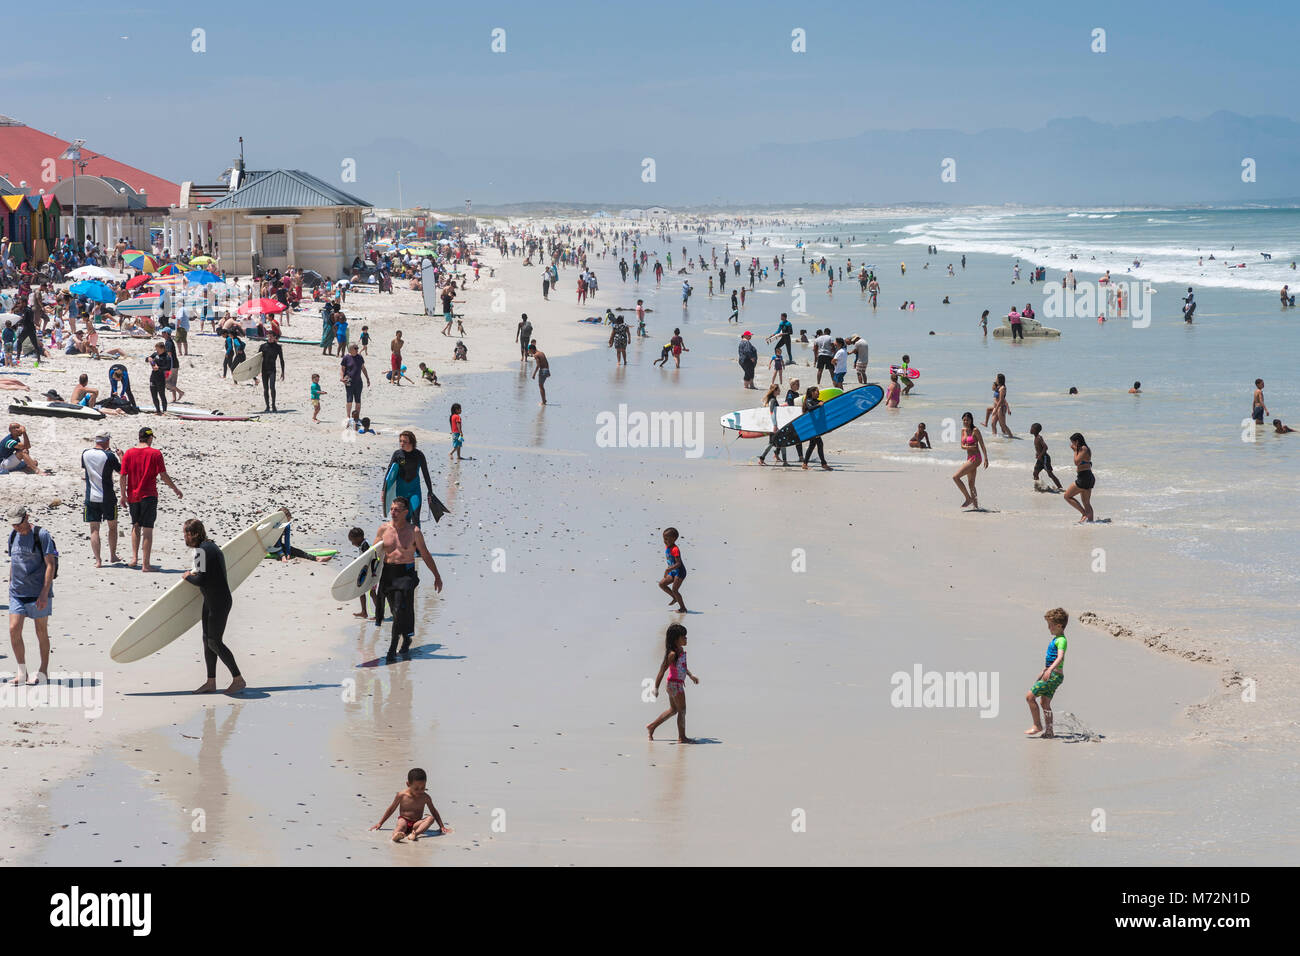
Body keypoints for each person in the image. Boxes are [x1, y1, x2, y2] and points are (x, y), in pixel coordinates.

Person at [374, 496, 444, 663]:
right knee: (395, 611)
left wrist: (437, 576)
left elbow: (425, 554)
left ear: (405, 512)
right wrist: (370, 581)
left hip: (405, 575)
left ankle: (392, 649)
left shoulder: (414, 532)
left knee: (399, 610)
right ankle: (406, 636)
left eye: (397, 510)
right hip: (388, 574)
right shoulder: (383, 529)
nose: (393, 512)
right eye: (391, 509)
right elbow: (373, 556)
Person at [182, 518, 245, 695]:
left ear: (193, 533)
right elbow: (206, 574)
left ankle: (238, 679)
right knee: (207, 640)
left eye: (185, 534)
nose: (184, 538)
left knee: (214, 641)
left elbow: (200, 579)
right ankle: (211, 682)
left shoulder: (202, 550)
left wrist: (187, 576)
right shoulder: (210, 546)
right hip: (211, 599)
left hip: (219, 602)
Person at [6, 504, 57, 686]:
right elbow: (14, 561)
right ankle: (22, 672)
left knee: (41, 631)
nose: (16, 528)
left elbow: (50, 564)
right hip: (17, 593)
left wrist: (44, 593)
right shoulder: (13, 536)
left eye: (18, 524)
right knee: (14, 630)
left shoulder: (41, 535)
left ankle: (43, 670)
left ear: (26, 518)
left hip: (38, 593)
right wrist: (10, 582)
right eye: (13, 525)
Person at [120, 426, 182, 571]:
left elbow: (123, 476)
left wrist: (123, 495)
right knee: (147, 529)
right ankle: (145, 564)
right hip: (149, 495)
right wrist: (175, 488)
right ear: (150, 438)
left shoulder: (128, 453)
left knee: (135, 525)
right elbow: (163, 475)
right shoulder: (155, 453)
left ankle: (134, 558)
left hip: (133, 495)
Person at [646, 623, 698, 743]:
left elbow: (683, 667)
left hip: (675, 684)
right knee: (682, 710)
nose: (686, 638)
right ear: (676, 639)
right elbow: (662, 670)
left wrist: (691, 676)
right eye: (683, 637)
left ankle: (652, 726)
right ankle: (682, 737)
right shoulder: (672, 654)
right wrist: (656, 688)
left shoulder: (681, 650)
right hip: (675, 685)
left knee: (674, 710)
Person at [383, 431, 447, 529]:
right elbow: (389, 473)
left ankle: (416, 542)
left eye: (404, 441)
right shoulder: (397, 454)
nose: (401, 444)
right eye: (400, 441)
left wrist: (430, 491)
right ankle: (405, 542)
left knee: (415, 517)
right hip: (401, 491)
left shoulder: (419, 455)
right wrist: (384, 490)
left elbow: (426, 474)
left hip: (414, 491)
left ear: (411, 442)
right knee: (405, 519)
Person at [370, 767, 452, 842]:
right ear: (408, 784)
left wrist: (442, 826)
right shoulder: (402, 795)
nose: (420, 790)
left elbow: (433, 811)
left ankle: (415, 834)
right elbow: (391, 809)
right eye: (416, 788)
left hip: (417, 824)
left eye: (423, 787)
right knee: (401, 824)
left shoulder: (425, 797)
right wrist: (380, 823)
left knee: (430, 818)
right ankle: (395, 835)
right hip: (404, 820)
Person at [1025, 608, 1069, 738]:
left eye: (1050, 625)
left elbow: (1060, 657)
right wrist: (1044, 670)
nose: (1048, 628)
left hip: (1054, 674)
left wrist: (1049, 670)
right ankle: (1049, 731)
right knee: (1045, 703)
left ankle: (1037, 725)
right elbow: (1052, 658)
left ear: (1059, 625)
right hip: (1054, 674)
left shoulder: (1061, 640)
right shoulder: (1057, 639)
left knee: (1030, 697)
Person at [81, 430, 122, 566]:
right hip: (107, 497)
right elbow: (121, 470)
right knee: (112, 526)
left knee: (94, 529)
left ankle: (98, 560)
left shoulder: (85, 453)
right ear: (107, 441)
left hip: (91, 496)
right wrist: (120, 456)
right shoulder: (109, 456)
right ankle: (112, 555)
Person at [952, 412, 988, 509]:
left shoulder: (975, 430)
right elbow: (962, 446)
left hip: (976, 458)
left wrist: (986, 459)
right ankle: (976, 507)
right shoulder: (963, 430)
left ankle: (968, 499)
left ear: (971, 420)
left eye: (967, 420)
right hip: (969, 458)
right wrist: (970, 446)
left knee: (955, 477)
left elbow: (982, 445)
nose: (965, 422)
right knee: (971, 484)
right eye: (964, 420)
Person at [1063, 433, 1095, 523]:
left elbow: (1076, 462)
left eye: (1073, 442)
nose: (1072, 444)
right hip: (1086, 477)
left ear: (1077, 441)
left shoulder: (1083, 448)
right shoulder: (1083, 449)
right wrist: (1076, 450)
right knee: (1086, 503)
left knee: (1067, 496)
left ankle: (1084, 514)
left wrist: (1075, 450)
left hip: (1084, 477)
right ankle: (1090, 522)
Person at [757, 382, 790, 465]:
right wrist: (775, 425)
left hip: (776, 425)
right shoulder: (773, 400)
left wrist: (782, 407)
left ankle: (784, 461)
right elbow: (772, 412)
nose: (780, 390)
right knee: (772, 443)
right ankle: (761, 459)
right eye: (778, 389)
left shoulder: (773, 399)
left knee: (780, 442)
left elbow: (775, 411)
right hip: (775, 425)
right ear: (775, 391)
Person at [800, 386, 831, 471]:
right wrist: (818, 405)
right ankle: (823, 464)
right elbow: (810, 409)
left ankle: (805, 464)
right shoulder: (808, 401)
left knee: (812, 445)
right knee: (819, 444)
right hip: (812, 427)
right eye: (817, 392)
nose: (819, 393)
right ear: (812, 393)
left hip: (815, 427)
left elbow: (820, 405)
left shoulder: (815, 401)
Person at [658, 527, 687, 613]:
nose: (664, 541)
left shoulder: (675, 549)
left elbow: (678, 563)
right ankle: (674, 597)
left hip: (680, 572)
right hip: (673, 571)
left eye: (667, 539)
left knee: (675, 590)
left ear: (674, 539)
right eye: (664, 538)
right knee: (662, 584)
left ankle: (683, 608)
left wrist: (667, 570)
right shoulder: (668, 546)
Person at [341, 342, 370, 425]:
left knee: (358, 400)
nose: (357, 349)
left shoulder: (360, 357)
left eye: (357, 348)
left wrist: (367, 378)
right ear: (350, 350)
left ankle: (356, 417)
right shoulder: (346, 358)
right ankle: (348, 417)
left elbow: (363, 368)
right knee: (349, 400)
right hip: (349, 382)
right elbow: (342, 369)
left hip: (358, 382)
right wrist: (342, 378)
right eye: (355, 348)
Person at [257, 332, 286, 413]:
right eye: (268, 336)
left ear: (274, 337)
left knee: (272, 387)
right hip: (264, 370)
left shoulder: (278, 347)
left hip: (272, 370)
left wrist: (283, 372)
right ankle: (267, 406)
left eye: (271, 337)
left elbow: (281, 360)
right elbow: (257, 359)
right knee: (265, 389)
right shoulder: (262, 346)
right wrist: (255, 371)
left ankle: (273, 405)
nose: (269, 338)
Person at [1030, 423, 1063, 491]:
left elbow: (1045, 447)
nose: (1030, 429)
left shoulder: (1039, 438)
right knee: (1035, 473)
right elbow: (1040, 448)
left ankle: (1060, 487)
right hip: (1040, 459)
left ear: (1035, 430)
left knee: (1050, 474)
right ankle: (1038, 487)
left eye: (1031, 428)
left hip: (1045, 458)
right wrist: (1037, 454)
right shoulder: (1035, 437)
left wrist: (1040, 455)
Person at [146, 341, 173, 414]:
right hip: (153, 376)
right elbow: (148, 359)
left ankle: (164, 411)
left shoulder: (167, 357)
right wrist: (149, 359)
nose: (156, 350)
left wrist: (159, 368)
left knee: (161, 394)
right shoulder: (155, 354)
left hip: (160, 377)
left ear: (162, 349)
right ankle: (158, 410)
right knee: (154, 395)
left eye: (157, 349)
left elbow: (168, 368)